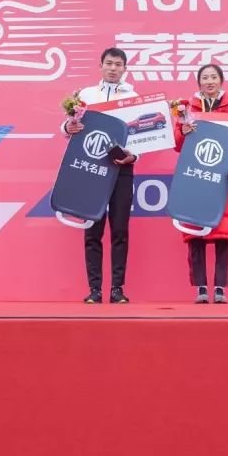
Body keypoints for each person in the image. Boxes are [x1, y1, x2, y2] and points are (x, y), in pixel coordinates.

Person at [63, 47, 138, 304]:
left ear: (125, 69)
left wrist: (133, 156)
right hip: (90, 167)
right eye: (109, 63)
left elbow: (142, 137)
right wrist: (68, 126)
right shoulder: (85, 95)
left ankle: (117, 289)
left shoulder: (134, 98)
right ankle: (94, 289)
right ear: (101, 65)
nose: (113, 68)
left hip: (122, 168)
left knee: (120, 230)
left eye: (118, 64)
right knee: (92, 229)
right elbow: (69, 127)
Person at [173, 63, 228, 304]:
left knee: (225, 234)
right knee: (195, 234)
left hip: (224, 179)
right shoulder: (187, 109)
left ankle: (221, 288)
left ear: (221, 80)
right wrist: (183, 131)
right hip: (195, 176)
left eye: (214, 77)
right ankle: (201, 288)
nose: (209, 81)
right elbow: (178, 145)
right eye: (205, 78)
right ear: (199, 82)